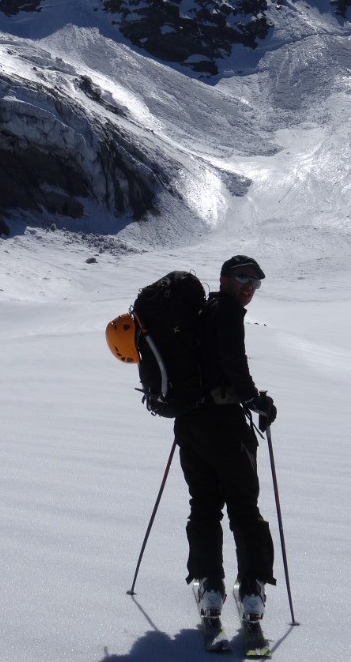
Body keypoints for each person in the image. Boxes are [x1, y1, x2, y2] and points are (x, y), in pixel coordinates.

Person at [174, 254, 277, 621]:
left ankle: (210, 587)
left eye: (255, 282)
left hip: (189, 424)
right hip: (225, 425)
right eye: (242, 277)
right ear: (224, 279)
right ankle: (251, 590)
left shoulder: (196, 314)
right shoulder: (228, 313)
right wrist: (257, 401)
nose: (249, 286)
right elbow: (235, 364)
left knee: (203, 505)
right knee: (244, 507)